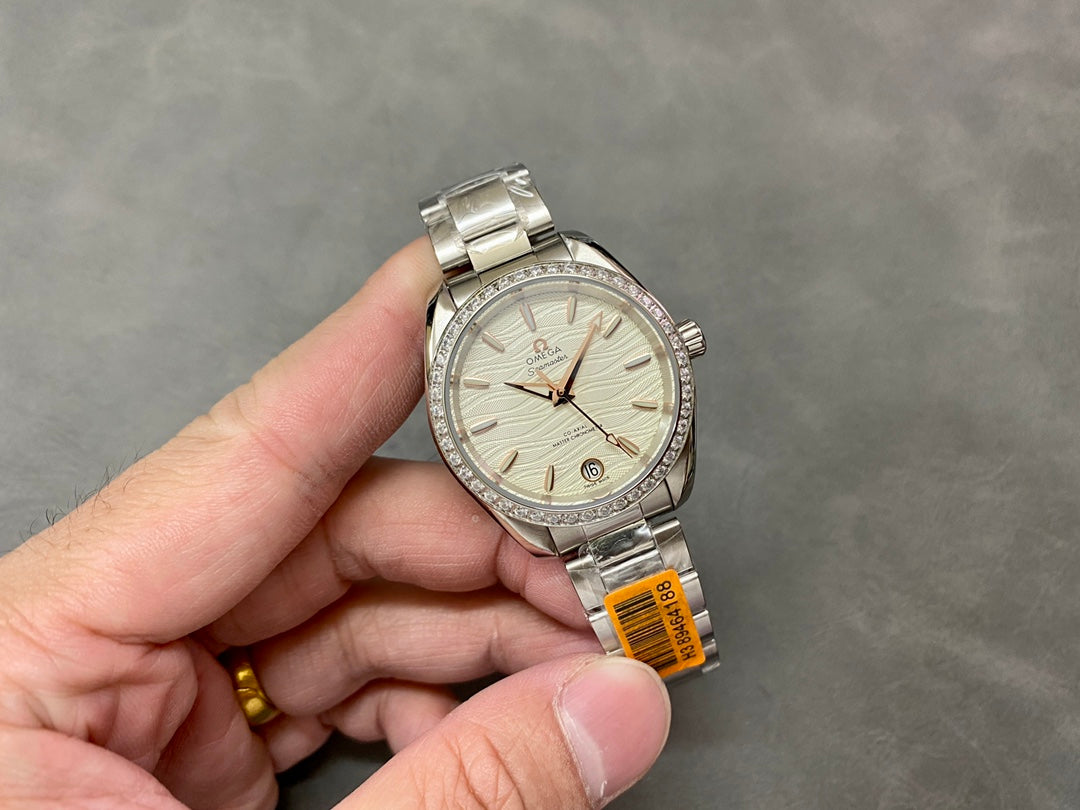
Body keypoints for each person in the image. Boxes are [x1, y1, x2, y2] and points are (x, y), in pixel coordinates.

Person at [0, 239, 672, 809]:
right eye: (546, 391)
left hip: (617, 464)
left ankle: (668, 645)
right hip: (554, 497)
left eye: (560, 388)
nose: (557, 393)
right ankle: (663, 651)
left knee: (640, 626)